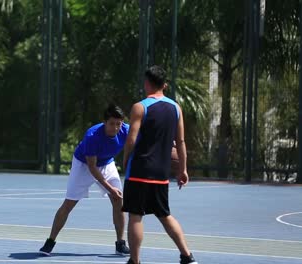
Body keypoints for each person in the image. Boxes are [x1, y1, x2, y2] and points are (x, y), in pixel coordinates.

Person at [122, 66, 198, 264]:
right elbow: (180, 142)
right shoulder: (175, 108)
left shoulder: (140, 107)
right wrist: (183, 169)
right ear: (164, 85)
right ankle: (187, 256)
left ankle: (135, 261)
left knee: (136, 215)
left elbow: (131, 139)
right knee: (164, 214)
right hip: (161, 172)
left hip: (139, 169)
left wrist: (125, 160)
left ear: (147, 83)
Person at [39, 104, 131, 256]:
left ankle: (120, 244)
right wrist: (110, 188)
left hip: (107, 163)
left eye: (118, 124)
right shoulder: (92, 136)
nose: (115, 128)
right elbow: (92, 168)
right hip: (84, 165)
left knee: (118, 201)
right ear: (104, 122)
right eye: (111, 124)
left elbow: (146, 137)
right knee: (69, 203)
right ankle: (50, 241)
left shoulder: (126, 130)